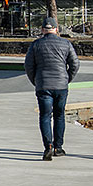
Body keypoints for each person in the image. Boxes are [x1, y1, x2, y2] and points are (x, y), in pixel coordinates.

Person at [24, 16, 80, 161]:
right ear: (56, 29)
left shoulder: (36, 45)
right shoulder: (66, 44)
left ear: (43, 29)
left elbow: (28, 65)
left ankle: (48, 146)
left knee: (45, 116)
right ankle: (58, 147)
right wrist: (67, 78)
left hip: (43, 84)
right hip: (61, 85)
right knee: (59, 115)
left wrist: (35, 80)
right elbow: (75, 64)